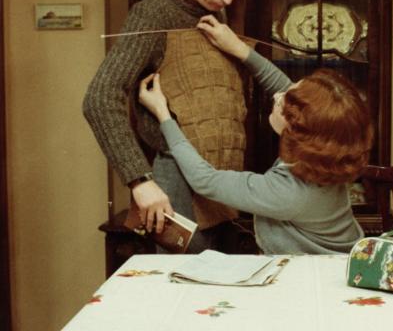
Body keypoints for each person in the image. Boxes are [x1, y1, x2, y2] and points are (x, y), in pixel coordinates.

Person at [83, 0, 268, 251]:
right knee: (182, 278)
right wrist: (139, 181)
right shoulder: (153, 13)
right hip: (176, 179)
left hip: (220, 181)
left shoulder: (218, 12)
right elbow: (99, 97)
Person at [137, 15, 373, 254]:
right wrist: (239, 49)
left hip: (319, 269)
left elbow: (205, 180)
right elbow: (287, 92)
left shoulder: (288, 192)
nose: (277, 95)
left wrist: (163, 114)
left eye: (283, 102)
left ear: (296, 129)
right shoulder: (326, 155)